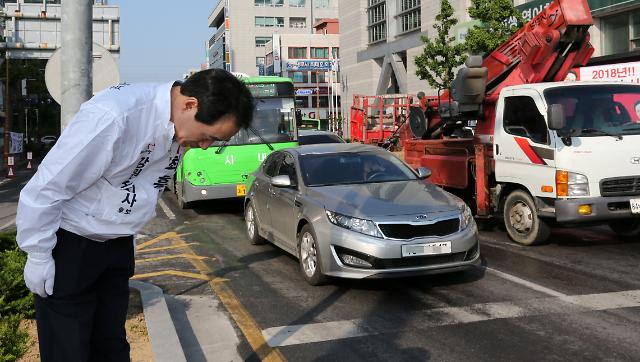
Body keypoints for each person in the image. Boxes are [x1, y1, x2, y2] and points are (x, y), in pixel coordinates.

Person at [16, 69, 254, 362]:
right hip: (69, 244)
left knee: (112, 346)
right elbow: (47, 187)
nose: (205, 146)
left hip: (116, 245)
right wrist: (38, 254)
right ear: (190, 105)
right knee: (68, 351)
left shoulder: (177, 129)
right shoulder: (116, 116)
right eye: (207, 136)